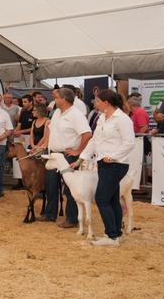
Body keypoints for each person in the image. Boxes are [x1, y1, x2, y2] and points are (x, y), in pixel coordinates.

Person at [75, 89, 135, 246]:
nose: (95, 103)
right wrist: (82, 158)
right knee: (112, 198)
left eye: (97, 100)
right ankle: (117, 234)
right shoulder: (102, 117)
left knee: (101, 198)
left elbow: (129, 143)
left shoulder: (122, 119)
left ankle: (111, 235)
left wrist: (113, 156)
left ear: (106, 102)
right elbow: (94, 141)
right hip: (103, 163)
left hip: (116, 164)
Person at [40, 87, 92, 226]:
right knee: (50, 185)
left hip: (68, 155)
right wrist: (45, 144)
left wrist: (78, 150)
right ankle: (50, 214)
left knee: (70, 188)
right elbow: (51, 130)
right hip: (54, 154)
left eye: (56, 98)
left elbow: (87, 134)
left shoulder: (76, 114)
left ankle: (72, 218)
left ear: (64, 99)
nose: (54, 100)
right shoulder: (57, 112)